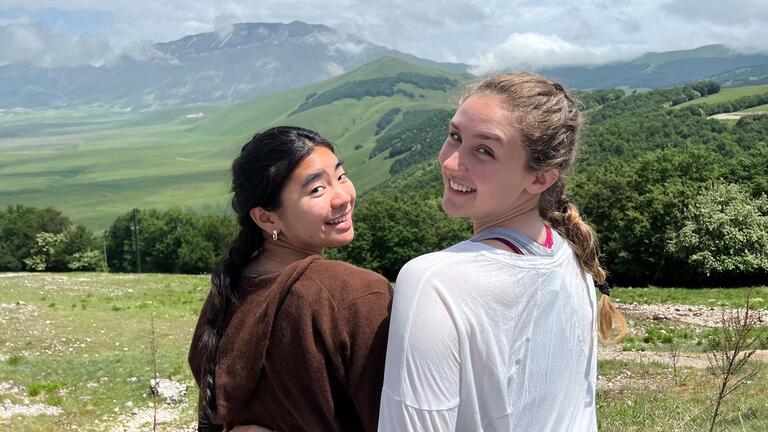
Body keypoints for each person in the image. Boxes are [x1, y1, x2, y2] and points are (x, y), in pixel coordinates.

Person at [377, 72, 626, 431]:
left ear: (541, 178)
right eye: (455, 137)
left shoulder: (434, 281)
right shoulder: (572, 257)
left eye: (484, 150)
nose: (450, 162)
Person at [188, 126, 392, 432]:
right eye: (317, 190)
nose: (342, 197)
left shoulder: (226, 292)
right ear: (267, 218)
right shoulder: (355, 293)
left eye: (341, 176)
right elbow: (394, 421)